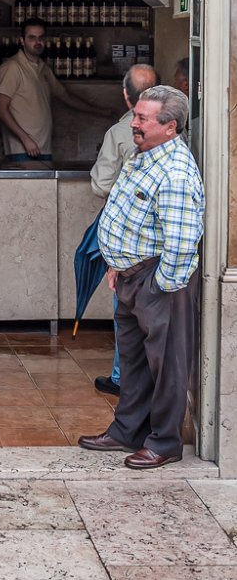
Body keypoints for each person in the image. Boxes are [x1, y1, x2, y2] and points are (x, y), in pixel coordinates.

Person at [78, 86, 205, 469]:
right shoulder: (145, 155)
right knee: (133, 361)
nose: (134, 123)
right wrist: (118, 263)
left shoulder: (175, 171)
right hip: (131, 276)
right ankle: (127, 430)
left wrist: (159, 285)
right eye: (135, 115)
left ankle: (164, 442)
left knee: (167, 366)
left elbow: (182, 241)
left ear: (170, 127)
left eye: (142, 118)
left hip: (158, 281)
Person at [89, 63, 160, 396]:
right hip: (157, 239)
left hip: (129, 235)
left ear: (125, 96)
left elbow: (101, 184)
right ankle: (149, 379)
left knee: (126, 308)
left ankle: (122, 376)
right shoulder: (176, 132)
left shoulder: (119, 133)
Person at [0, 17, 112, 165]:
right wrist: (25, 139)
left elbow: (67, 97)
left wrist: (101, 111)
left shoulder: (44, 68)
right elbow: (1, 110)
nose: (37, 42)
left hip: (43, 148)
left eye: (41, 38)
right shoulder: (13, 67)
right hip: (23, 149)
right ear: (22, 41)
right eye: (32, 38)